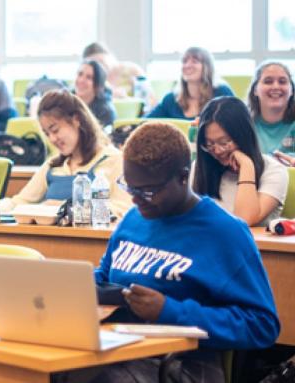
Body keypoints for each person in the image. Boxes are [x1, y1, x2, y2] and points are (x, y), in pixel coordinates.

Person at [55, 122, 279, 382]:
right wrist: (75, 283)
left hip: (184, 362)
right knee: (47, 371)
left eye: (147, 191)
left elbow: (262, 325)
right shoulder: (134, 218)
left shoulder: (225, 233)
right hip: (123, 346)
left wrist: (170, 310)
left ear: (183, 177)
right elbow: (105, 276)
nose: (136, 199)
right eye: (130, 187)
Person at [0, 89, 132, 217]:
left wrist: (64, 207)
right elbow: (19, 202)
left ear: (76, 120)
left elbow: (122, 209)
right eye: (47, 133)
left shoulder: (114, 160)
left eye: (55, 130)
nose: (52, 139)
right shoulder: (53, 165)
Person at [192, 96, 288, 227]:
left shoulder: (273, 171)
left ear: (244, 135)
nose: (218, 150)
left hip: (251, 247)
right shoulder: (199, 167)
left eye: (224, 142)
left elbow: (244, 220)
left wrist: (247, 166)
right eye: (209, 144)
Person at [146, 47, 234, 119]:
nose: (187, 66)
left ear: (207, 67)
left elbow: (238, 124)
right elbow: (143, 123)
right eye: (184, 61)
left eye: (195, 61)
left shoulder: (222, 94)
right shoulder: (171, 99)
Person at [246, 61, 295, 159]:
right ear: (255, 90)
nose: (276, 87)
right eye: (268, 81)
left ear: (292, 90)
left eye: (282, 81)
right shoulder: (244, 123)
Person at [73, 60, 117, 128]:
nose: (81, 80)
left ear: (98, 85)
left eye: (89, 77)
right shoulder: (66, 102)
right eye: (80, 74)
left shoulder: (106, 112)